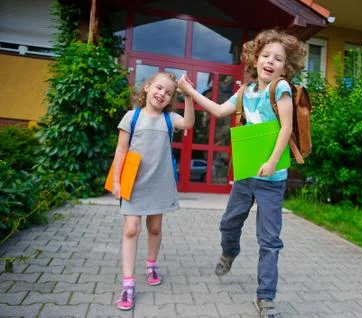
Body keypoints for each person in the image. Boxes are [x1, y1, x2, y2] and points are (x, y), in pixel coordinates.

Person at [178, 29, 306, 318]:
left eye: (278, 59)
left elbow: (286, 128)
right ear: (255, 59)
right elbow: (219, 110)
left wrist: (273, 162)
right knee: (228, 223)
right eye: (265, 56)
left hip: (272, 180)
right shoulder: (245, 92)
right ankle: (230, 251)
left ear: (286, 66)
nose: (270, 62)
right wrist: (190, 92)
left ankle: (266, 298)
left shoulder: (281, 89)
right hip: (247, 176)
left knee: (270, 240)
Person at [111, 72, 194, 311]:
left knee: (155, 227)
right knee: (131, 229)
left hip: (160, 184)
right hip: (134, 183)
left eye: (168, 93)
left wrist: (187, 95)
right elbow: (121, 151)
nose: (162, 94)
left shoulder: (169, 119)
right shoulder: (131, 117)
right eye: (158, 88)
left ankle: (151, 264)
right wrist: (116, 181)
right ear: (147, 87)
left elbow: (188, 124)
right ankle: (128, 285)